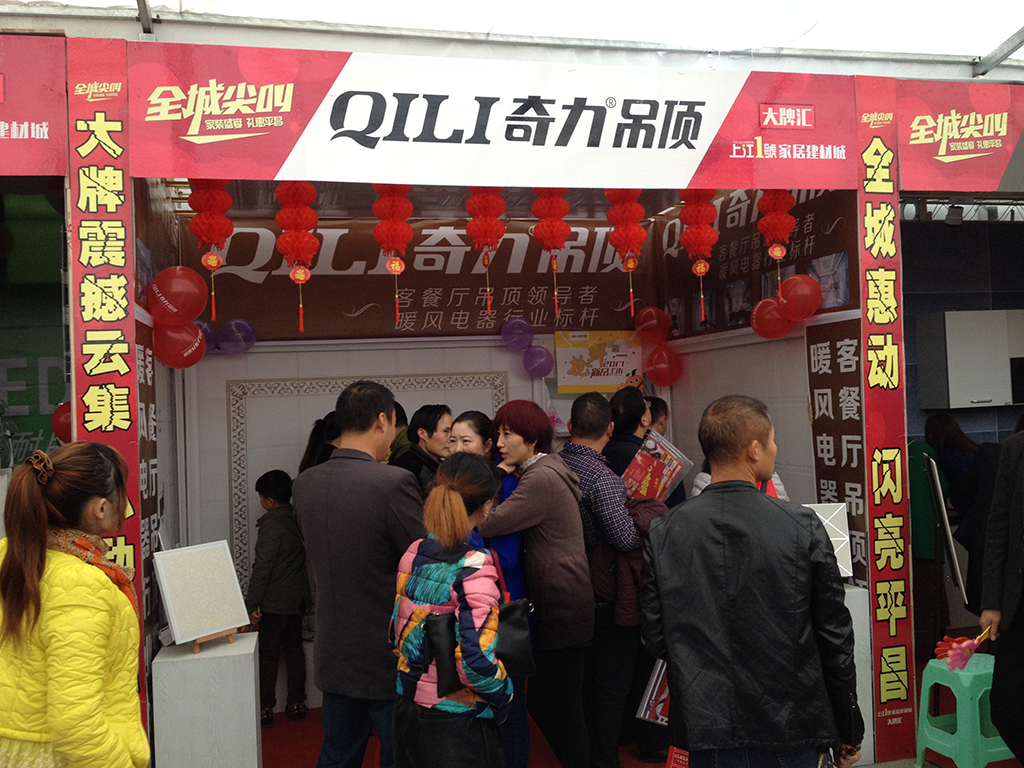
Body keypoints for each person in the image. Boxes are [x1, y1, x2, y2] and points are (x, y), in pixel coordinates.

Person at [642, 396, 863, 768]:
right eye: (773, 440)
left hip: (705, 724)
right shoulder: (802, 525)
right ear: (754, 449)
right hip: (791, 722)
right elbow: (834, 637)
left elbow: (654, 635)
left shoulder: (664, 530)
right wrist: (847, 726)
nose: (776, 449)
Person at [292, 380, 425, 768]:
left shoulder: (305, 483)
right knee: (401, 755)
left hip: (334, 650)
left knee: (338, 753)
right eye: (395, 425)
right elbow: (423, 559)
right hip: (387, 654)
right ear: (382, 421)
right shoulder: (392, 482)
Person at [0, 443, 150, 768]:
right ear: (101, 508)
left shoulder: (9, 553)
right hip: (51, 755)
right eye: (122, 492)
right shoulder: (80, 584)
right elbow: (77, 724)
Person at [478, 399, 593, 768]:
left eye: (507, 434)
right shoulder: (546, 468)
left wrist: (497, 474)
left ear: (530, 439)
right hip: (564, 597)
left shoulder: (540, 478)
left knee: (563, 708)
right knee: (551, 704)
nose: (499, 443)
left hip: (562, 601)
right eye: (497, 434)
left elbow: (487, 521)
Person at [390, 452, 514, 768]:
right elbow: (476, 663)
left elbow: (395, 635)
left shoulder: (414, 551)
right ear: (487, 506)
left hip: (407, 710)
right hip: (456, 726)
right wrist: (505, 695)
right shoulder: (474, 566)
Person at [558, 392, 654, 768]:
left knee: (580, 684)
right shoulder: (602, 478)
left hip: (566, 588)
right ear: (610, 429)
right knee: (610, 687)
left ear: (570, 425)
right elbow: (625, 538)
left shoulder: (555, 463)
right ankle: (602, 760)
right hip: (603, 595)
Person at [449, 410, 529, 768]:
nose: (456, 448)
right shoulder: (451, 490)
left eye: (466, 441)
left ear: (487, 446)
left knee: (509, 708)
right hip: (463, 606)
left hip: (500, 606)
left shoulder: (506, 488)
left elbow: (507, 559)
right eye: (452, 440)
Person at [246, 469, 311, 728]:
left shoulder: (272, 525)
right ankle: (297, 702)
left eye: (261, 498)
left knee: (268, 655)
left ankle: (265, 707)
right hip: (297, 599)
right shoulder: (299, 518)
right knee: (294, 652)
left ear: (270, 500)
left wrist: (252, 603)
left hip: (273, 602)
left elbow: (263, 568)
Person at [980, 428, 1024, 763]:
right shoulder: (1016, 448)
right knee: (1006, 705)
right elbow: (998, 526)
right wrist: (992, 602)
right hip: (1017, 601)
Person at [390, 404, 454, 495]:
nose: (451, 438)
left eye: (452, 431)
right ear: (422, 434)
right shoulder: (410, 471)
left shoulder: (439, 466)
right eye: (446, 431)